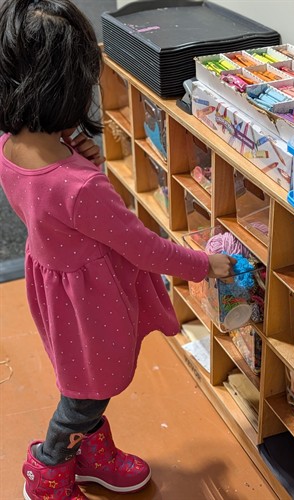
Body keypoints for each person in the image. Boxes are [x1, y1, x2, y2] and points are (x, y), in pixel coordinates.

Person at [0, 1, 235, 498]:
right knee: (86, 395)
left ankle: (90, 454)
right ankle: (48, 470)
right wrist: (205, 264)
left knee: (84, 383)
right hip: (91, 300)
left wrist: (78, 159)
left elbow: (58, 207)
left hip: (57, 285)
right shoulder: (80, 189)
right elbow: (145, 248)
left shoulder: (9, 145)